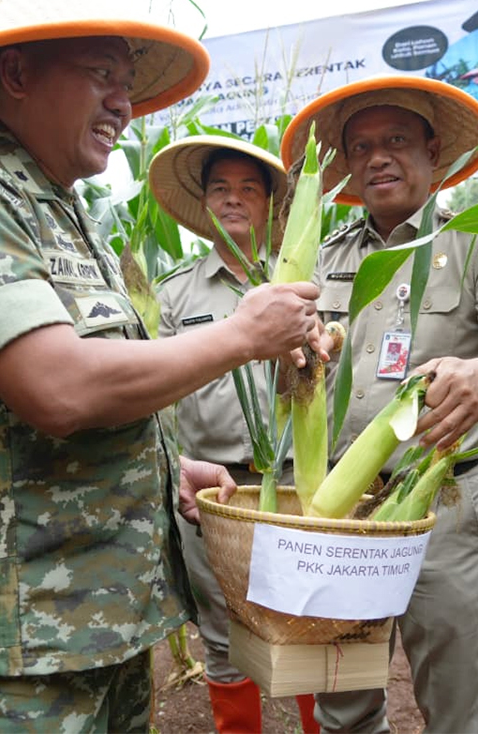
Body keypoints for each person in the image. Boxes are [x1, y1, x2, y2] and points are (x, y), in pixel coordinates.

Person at [0, 0, 324, 730]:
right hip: (9, 650)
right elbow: (59, 389)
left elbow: (26, 412)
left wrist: (165, 462)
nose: (123, 101)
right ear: (16, 73)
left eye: (127, 81)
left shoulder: (67, 216)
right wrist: (243, 335)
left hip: (106, 627)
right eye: (100, 75)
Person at [280, 75, 478, 733]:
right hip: (339, 511)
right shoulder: (322, 256)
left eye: (396, 140)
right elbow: (288, 373)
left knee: (454, 700)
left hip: (440, 507)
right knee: (342, 703)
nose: (378, 157)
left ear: (433, 150)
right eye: (362, 145)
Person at [150, 136, 320, 733]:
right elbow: (159, 395)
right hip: (212, 490)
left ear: (272, 204)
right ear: (203, 200)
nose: (233, 199)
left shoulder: (304, 285)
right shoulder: (175, 293)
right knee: (222, 634)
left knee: (306, 625)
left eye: (249, 187)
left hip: (297, 484)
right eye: (220, 187)